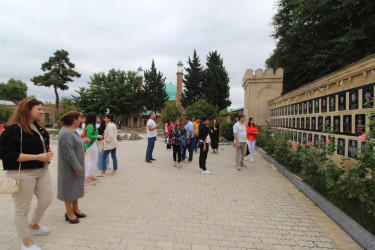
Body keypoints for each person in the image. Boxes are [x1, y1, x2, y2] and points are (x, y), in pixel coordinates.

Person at [0, 98, 53, 250]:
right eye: (39, 109)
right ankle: (26, 242)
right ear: (27, 110)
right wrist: (37, 157)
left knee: (46, 199)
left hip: (41, 170)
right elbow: (6, 154)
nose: (42, 112)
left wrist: (48, 153)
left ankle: (33, 224)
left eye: (42, 109)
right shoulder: (13, 129)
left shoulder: (38, 127)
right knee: (22, 208)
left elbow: (42, 147)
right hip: (22, 173)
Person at [57, 111, 87, 224]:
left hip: (76, 166)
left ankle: (75, 209)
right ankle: (69, 213)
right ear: (74, 119)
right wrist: (76, 166)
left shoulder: (71, 131)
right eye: (80, 117)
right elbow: (68, 152)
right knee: (69, 189)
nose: (81, 119)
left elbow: (75, 144)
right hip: (69, 167)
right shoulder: (66, 133)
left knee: (75, 187)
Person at [83, 112, 103, 185]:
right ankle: (87, 177)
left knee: (92, 160)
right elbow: (89, 136)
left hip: (91, 144)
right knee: (93, 160)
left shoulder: (88, 125)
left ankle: (90, 175)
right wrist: (97, 136)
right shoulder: (91, 126)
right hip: (91, 144)